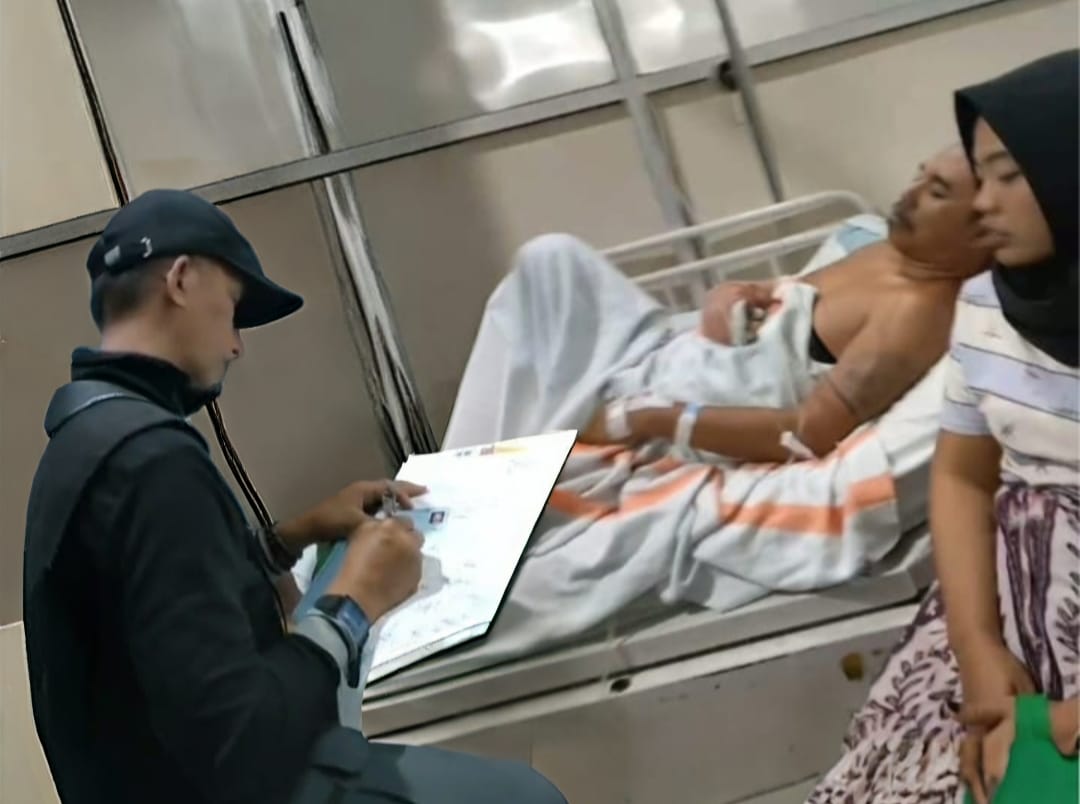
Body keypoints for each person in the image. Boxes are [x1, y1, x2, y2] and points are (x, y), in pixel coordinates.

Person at [21, 189, 567, 804]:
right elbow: (243, 743)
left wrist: (289, 539)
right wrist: (353, 602)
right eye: (232, 311)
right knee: (525, 797)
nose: (235, 345)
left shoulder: (87, 441)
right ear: (182, 280)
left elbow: (160, 609)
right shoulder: (151, 461)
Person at [806, 49, 1079, 804]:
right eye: (977, 178)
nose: (981, 204)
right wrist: (978, 649)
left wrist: (1060, 720)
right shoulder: (988, 305)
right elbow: (962, 478)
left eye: (1008, 176)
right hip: (1010, 598)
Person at [444, 144, 990, 461]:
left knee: (542, 348)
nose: (909, 194)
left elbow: (808, 432)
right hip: (677, 350)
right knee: (552, 262)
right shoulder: (884, 247)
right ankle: (472, 472)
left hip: (680, 398)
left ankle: (472, 482)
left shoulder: (916, 313)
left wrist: (650, 419)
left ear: (982, 229)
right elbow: (789, 300)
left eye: (936, 192)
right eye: (919, 175)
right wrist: (737, 293)